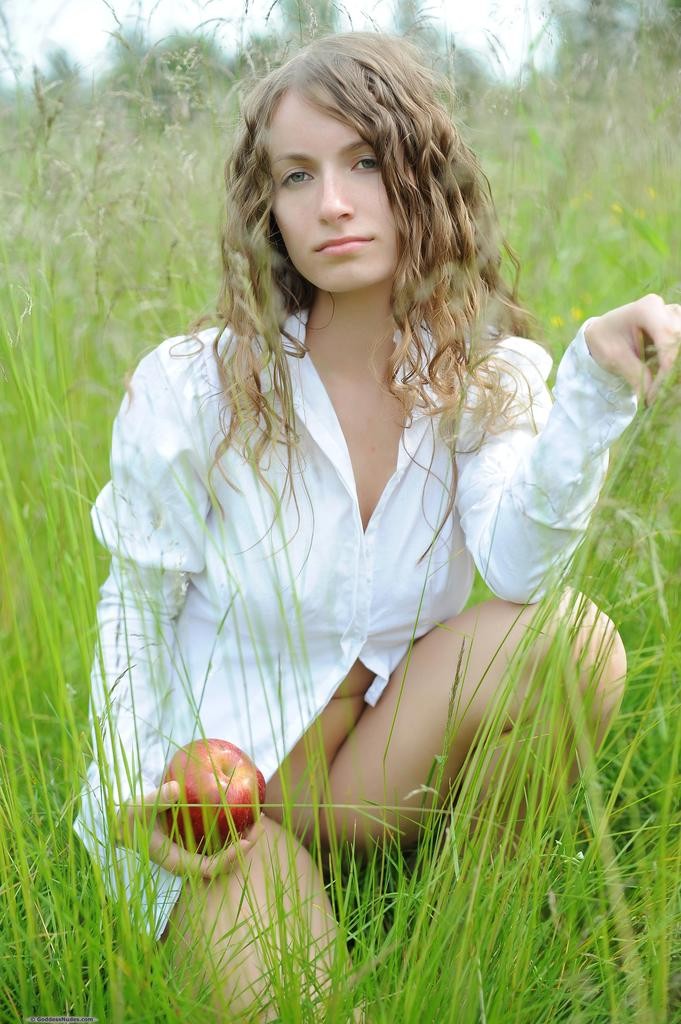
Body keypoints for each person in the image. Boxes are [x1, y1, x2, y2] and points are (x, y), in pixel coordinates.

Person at [73, 30, 680, 1023]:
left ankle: (465, 945)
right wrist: (137, 794)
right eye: (297, 176)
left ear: (421, 178)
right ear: (268, 210)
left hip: (367, 778)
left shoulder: (486, 377)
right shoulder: (195, 387)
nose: (333, 202)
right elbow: (133, 609)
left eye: (363, 162)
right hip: (222, 803)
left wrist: (595, 386)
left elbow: (521, 571)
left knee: (574, 642)